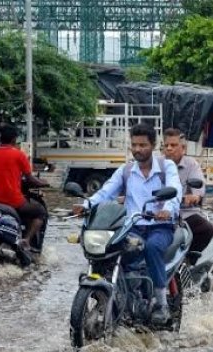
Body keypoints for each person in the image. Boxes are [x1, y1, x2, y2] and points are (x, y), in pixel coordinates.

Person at [72, 123, 182, 324]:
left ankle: (160, 304)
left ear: (153, 145)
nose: (138, 149)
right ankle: (119, 293)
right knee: (110, 250)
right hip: (133, 226)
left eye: (143, 145)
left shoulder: (167, 167)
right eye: (134, 145)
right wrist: (86, 204)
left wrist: (167, 209)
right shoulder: (126, 170)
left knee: (152, 247)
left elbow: (175, 189)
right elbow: (106, 192)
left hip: (160, 226)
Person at [0, 124, 49, 251]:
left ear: (0, 139)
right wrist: (43, 183)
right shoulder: (19, 155)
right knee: (40, 212)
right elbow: (30, 179)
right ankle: (27, 240)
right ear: (14, 139)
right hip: (14, 201)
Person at [162, 128, 213, 260]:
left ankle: (189, 259)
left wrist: (195, 196)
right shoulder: (157, 164)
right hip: (160, 213)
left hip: (184, 213)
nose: (169, 149)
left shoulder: (191, 164)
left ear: (183, 148)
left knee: (207, 229)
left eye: (173, 145)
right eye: (166, 145)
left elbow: (199, 188)